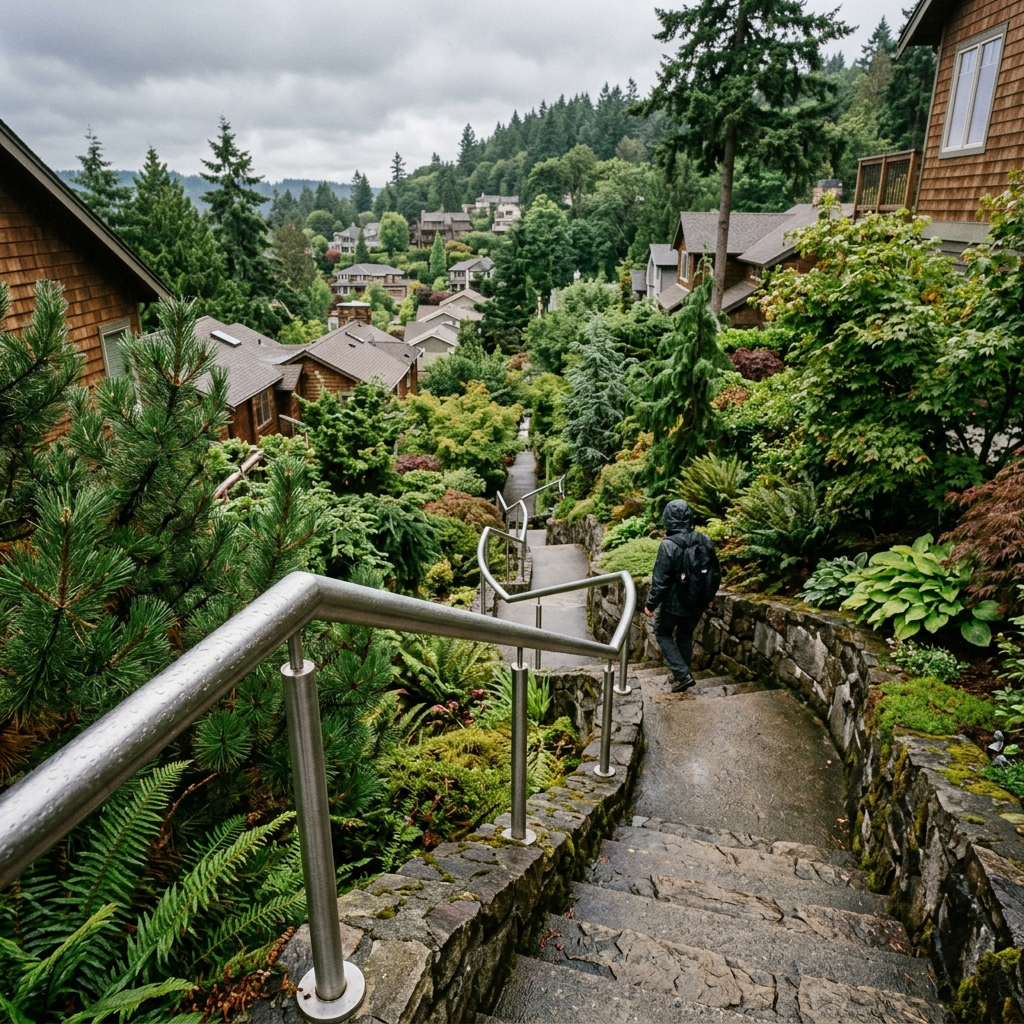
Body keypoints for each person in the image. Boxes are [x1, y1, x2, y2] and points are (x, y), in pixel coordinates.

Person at [643, 499, 721, 693]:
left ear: (667, 518)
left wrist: (651, 604)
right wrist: (709, 596)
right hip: (698, 602)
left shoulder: (668, 545)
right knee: (685, 635)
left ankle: (682, 674)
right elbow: (715, 572)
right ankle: (683, 675)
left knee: (662, 632)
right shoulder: (704, 539)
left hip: (674, 604)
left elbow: (660, 581)